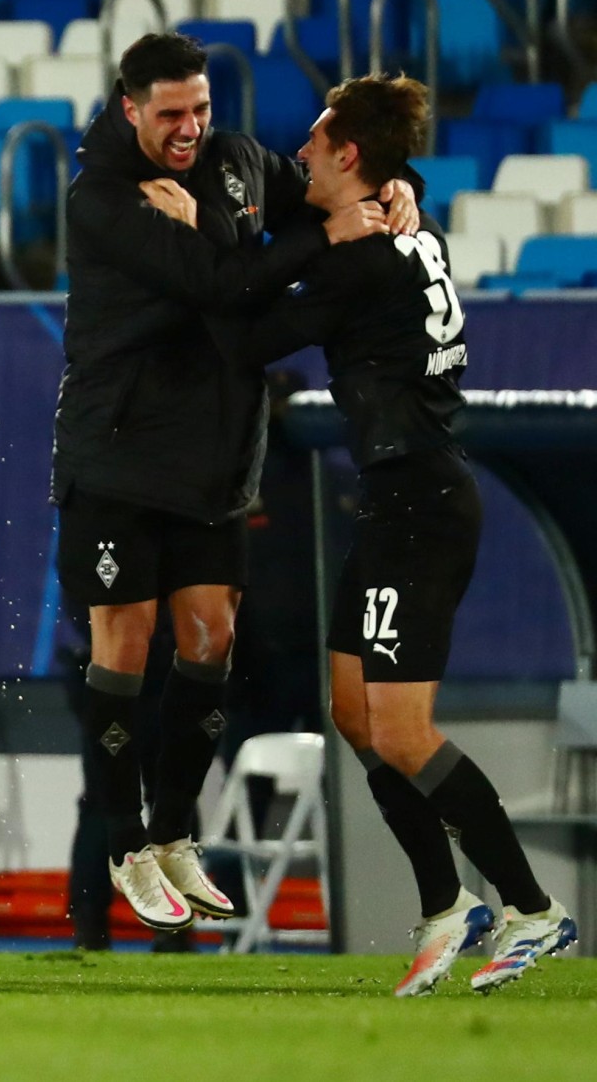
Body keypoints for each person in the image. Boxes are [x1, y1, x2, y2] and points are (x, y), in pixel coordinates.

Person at [143, 71, 578, 994]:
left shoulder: (359, 260)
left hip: (418, 503)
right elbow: (358, 235)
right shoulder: (412, 229)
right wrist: (387, 192)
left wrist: (188, 248)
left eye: (313, 140)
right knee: (355, 712)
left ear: (348, 153)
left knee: (401, 729)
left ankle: (533, 910)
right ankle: (444, 905)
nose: (298, 152)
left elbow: (246, 342)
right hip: (400, 498)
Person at [51, 32, 420, 936]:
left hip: (216, 458)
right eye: (171, 114)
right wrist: (319, 235)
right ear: (130, 107)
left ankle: (175, 832)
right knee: (126, 645)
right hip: (118, 453)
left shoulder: (238, 162)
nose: (190, 129)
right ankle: (126, 842)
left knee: (211, 640)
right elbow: (216, 283)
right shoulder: (102, 198)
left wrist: (391, 190)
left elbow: (329, 191)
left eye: (201, 109)